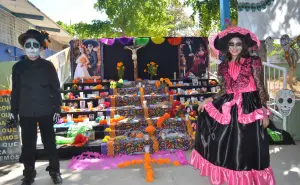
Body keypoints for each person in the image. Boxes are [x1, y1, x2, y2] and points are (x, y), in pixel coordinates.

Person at [190, 26, 276, 185]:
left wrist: (264, 110)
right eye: (231, 44)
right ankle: (230, 177)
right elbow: (224, 89)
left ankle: (247, 179)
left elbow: (260, 86)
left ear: (243, 45)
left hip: (249, 105)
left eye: (238, 44)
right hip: (229, 105)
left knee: (248, 145)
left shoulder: (253, 61)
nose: (235, 47)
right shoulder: (223, 65)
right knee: (226, 143)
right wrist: (210, 99)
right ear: (227, 47)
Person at [6, 29, 63, 185]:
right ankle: (29, 174)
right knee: (28, 146)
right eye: (28, 45)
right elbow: (15, 91)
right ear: (24, 47)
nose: (31, 48)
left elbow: (55, 89)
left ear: (41, 47)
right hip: (26, 112)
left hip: (46, 110)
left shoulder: (48, 66)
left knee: (50, 143)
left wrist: (57, 109)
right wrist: (13, 112)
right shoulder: (18, 67)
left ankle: (55, 171)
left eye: (35, 45)